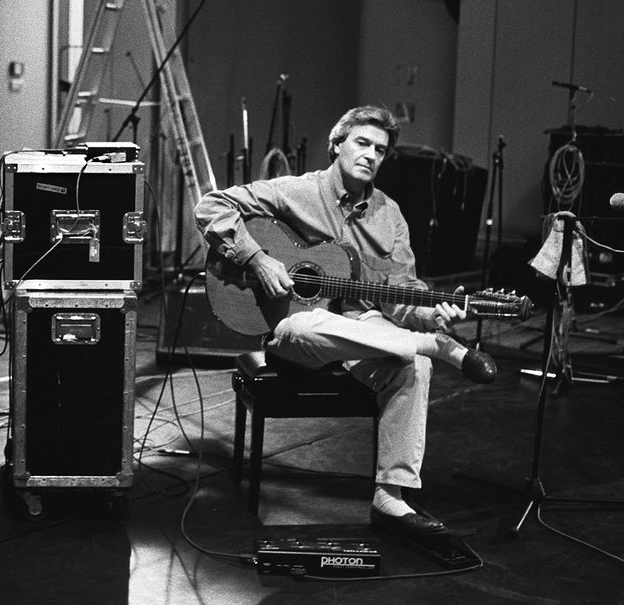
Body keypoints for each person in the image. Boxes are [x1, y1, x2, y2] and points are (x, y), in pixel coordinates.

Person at [195, 105, 496, 536]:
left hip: (367, 324)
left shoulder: (389, 215)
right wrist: (257, 257)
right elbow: (211, 205)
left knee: (415, 364)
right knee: (307, 325)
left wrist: (434, 313)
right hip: (297, 326)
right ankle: (435, 345)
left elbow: (404, 296)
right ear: (337, 144)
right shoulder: (298, 191)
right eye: (362, 143)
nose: (372, 155)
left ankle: (391, 497)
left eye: (381, 149)